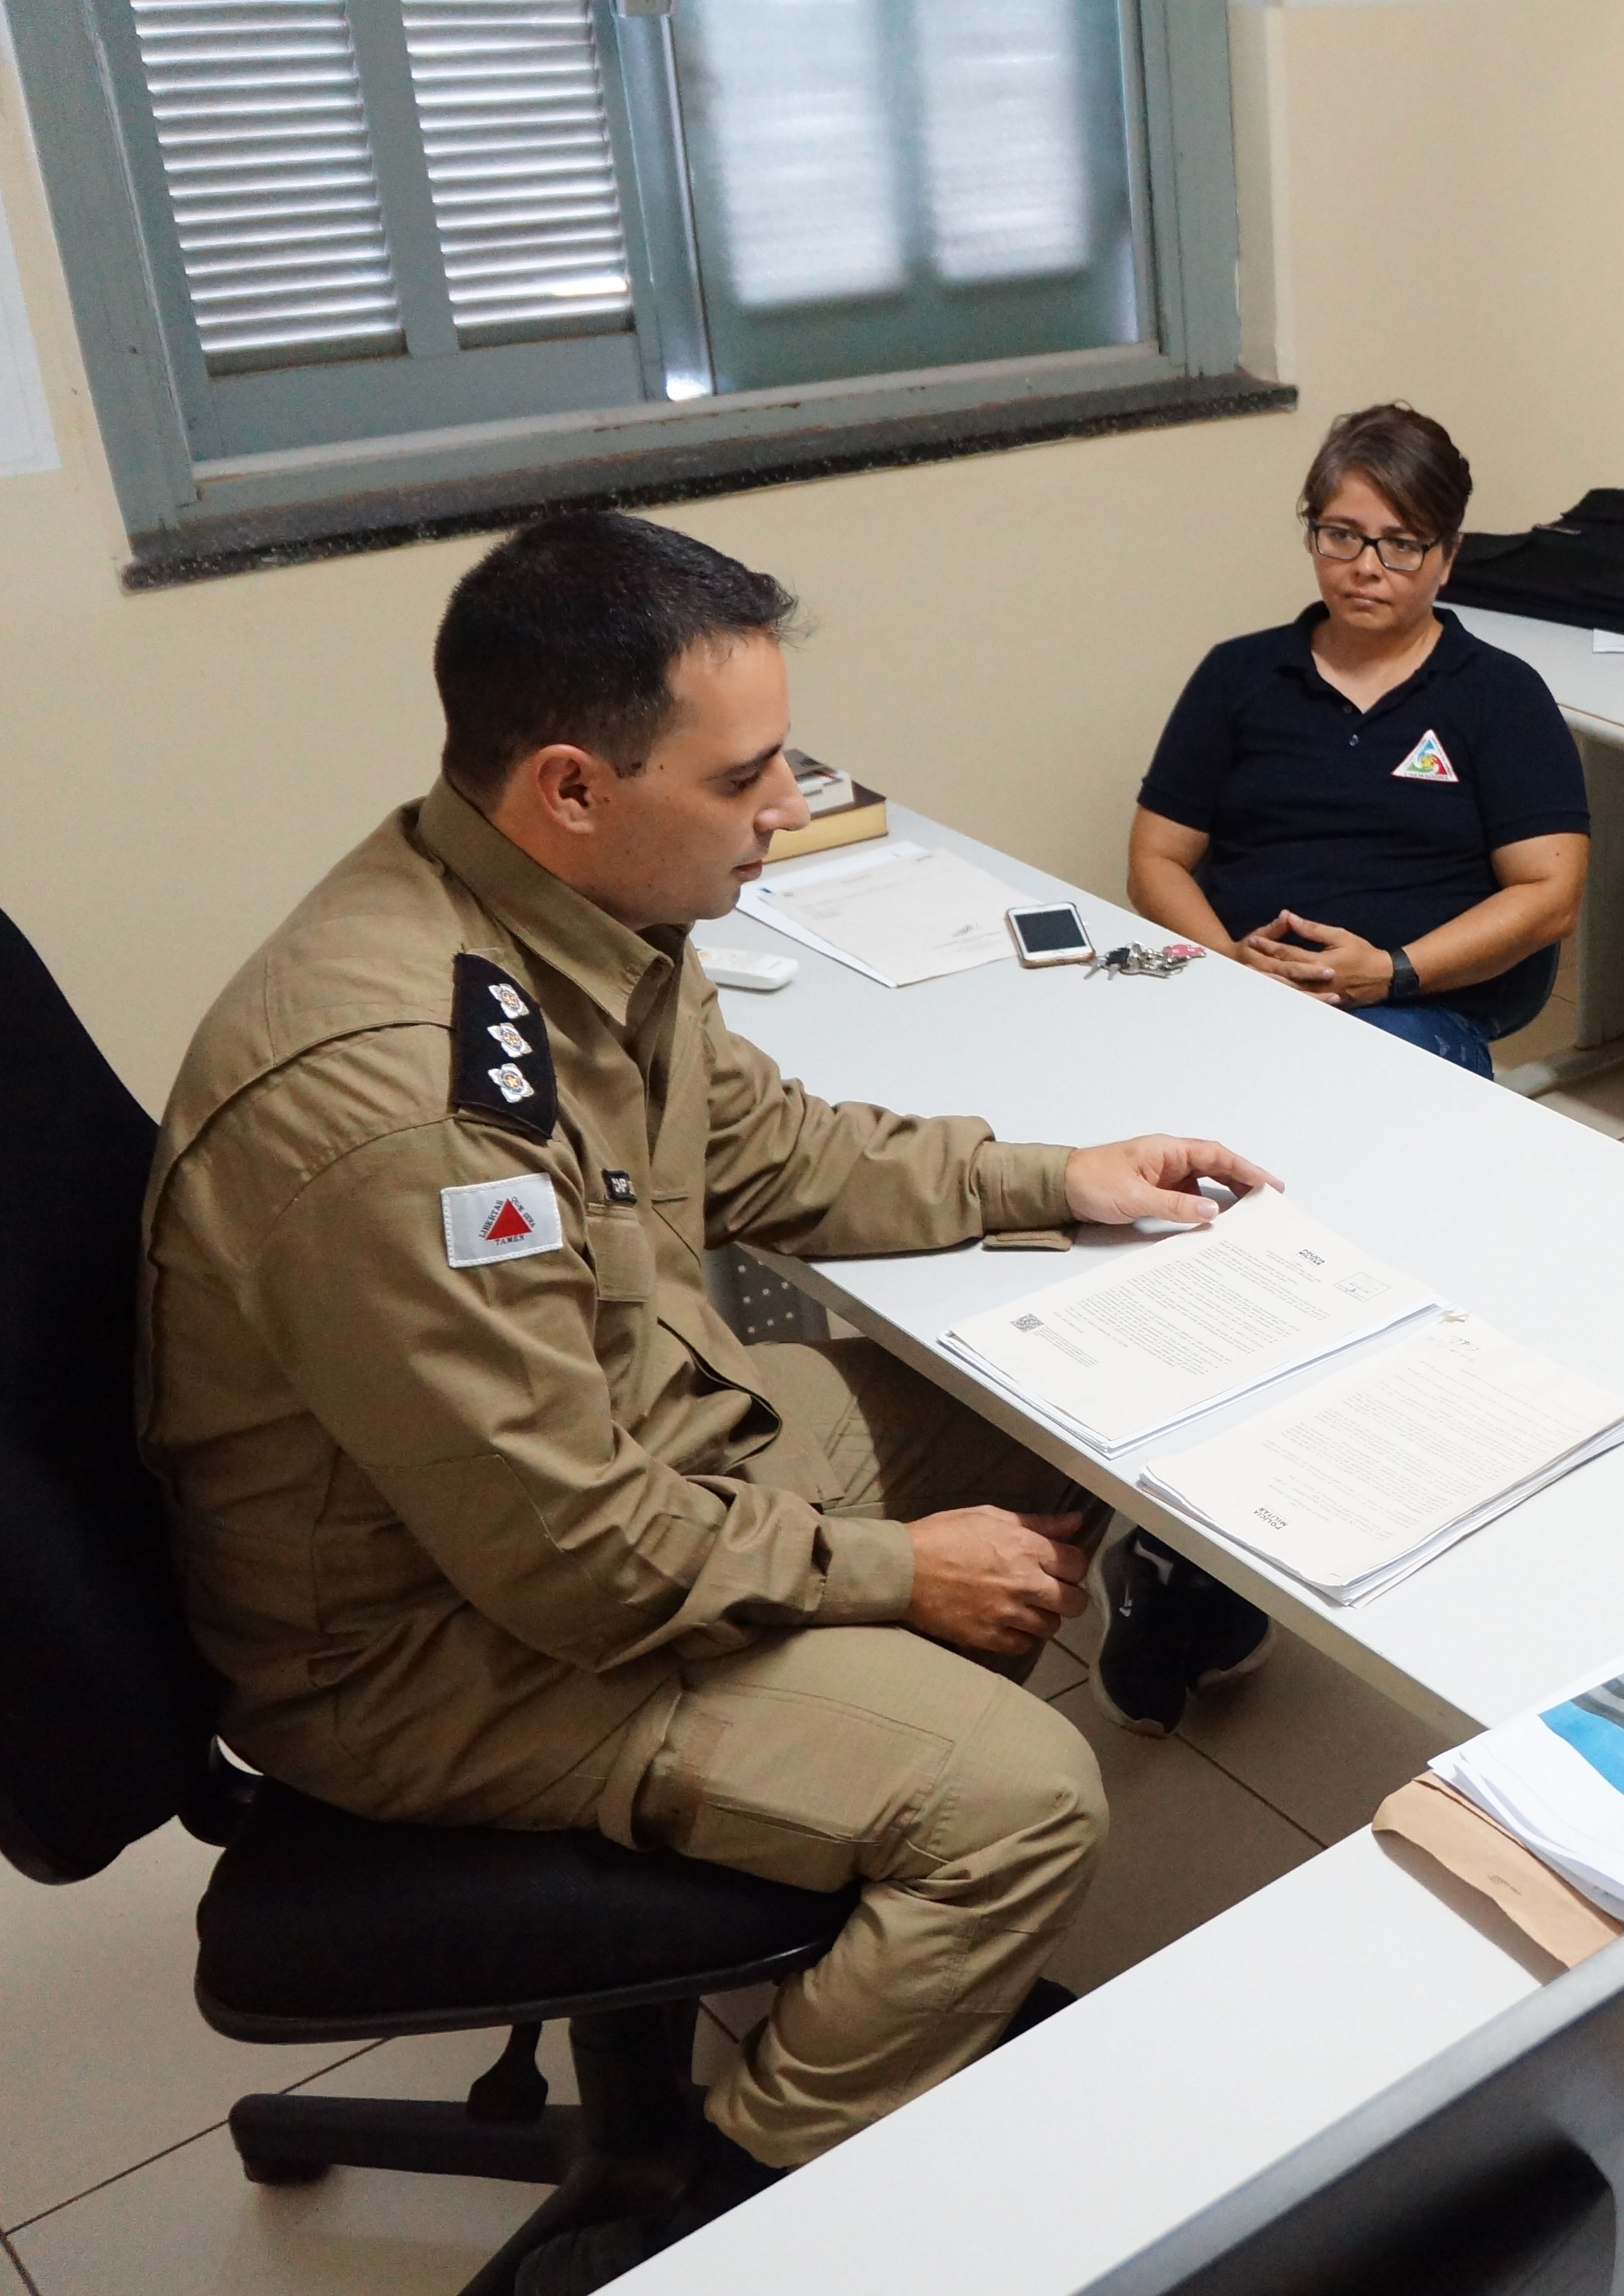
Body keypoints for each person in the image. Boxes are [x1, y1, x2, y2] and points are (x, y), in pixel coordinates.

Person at [141, 512, 1279, 2293]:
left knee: (1018, 1428)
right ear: (574, 784)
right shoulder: (416, 1109)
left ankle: (841, 1866)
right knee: (1026, 1802)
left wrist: (1066, 1175)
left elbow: (771, 1148)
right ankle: (715, 2218)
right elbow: (577, 1566)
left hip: (601, 1481)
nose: (789, 810)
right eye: (748, 776)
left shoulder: (583, 919)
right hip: (433, 1649)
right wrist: (899, 1576)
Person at [1126, 402, 1590, 1080]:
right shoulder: (1238, 675)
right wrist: (1229, 963)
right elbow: (1155, 859)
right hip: (1241, 990)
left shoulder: (1501, 694)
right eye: (1341, 535)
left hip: (1417, 1007)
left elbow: (1552, 895)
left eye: (1401, 544)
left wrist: (1390, 972)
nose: (1366, 567)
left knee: (1329, 1093)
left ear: (1448, 559)